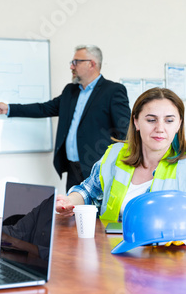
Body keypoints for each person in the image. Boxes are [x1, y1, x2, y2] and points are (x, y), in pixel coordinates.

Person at [0, 45, 131, 192]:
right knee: (71, 210)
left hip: (98, 169)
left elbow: (124, 129)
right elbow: (44, 108)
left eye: (76, 62)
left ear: (92, 64)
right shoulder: (70, 91)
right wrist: (9, 108)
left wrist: (115, 165)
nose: (72, 66)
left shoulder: (113, 90)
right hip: (72, 168)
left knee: (95, 213)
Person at [56, 88, 186, 222]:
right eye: (151, 120)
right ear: (136, 122)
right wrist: (69, 201)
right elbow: (89, 191)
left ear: (179, 124)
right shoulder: (115, 154)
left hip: (163, 243)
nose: (160, 128)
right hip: (109, 242)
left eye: (169, 121)